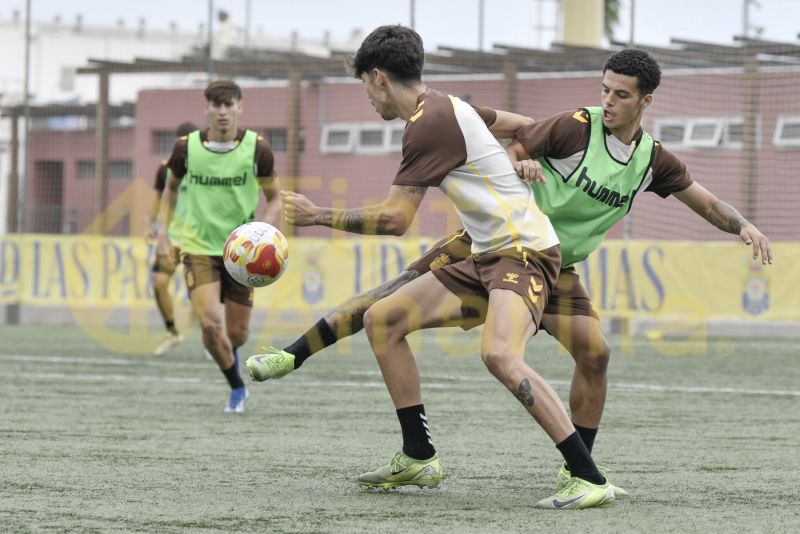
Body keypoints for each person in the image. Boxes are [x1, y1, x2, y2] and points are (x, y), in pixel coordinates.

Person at [247, 48, 773, 496]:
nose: (608, 102)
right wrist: (522, 160)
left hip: (540, 258)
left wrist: (744, 224)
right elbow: (520, 138)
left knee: (593, 354)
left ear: (646, 101)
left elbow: (705, 202)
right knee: (389, 304)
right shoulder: (577, 126)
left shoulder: (651, 161)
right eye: (605, 90)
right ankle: (302, 361)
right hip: (497, 246)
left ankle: (580, 472)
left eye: (621, 95)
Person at [250, 25, 615, 509]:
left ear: (379, 77)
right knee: (383, 319)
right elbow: (524, 125)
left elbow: (395, 219)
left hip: (523, 252)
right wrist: (519, 161)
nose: (367, 97)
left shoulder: (429, 123)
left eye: (364, 85)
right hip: (486, 251)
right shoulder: (448, 107)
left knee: (501, 356)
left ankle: (588, 477)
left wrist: (318, 215)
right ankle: (418, 455)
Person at [158, 80, 280, 413]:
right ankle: (237, 387)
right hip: (197, 248)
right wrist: (163, 235)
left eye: (229, 105)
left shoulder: (257, 149)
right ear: (207, 109)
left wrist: (264, 230)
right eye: (217, 105)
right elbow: (170, 191)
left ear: (240, 107)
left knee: (237, 334)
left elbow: (274, 198)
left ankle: (230, 352)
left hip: (241, 254)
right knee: (211, 326)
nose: (223, 111)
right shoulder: (186, 148)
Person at [149, 121, 198, 357]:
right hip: (172, 238)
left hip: (199, 239)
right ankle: (172, 332)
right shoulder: (165, 168)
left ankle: (210, 337)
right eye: (182, 143)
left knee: (201, 293)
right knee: (158, 282)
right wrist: (153, 225)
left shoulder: (207, 169)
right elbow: (159, 197)